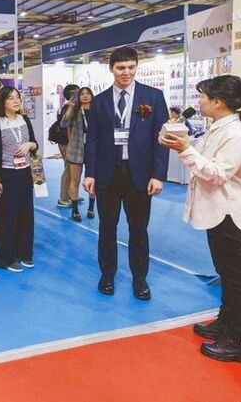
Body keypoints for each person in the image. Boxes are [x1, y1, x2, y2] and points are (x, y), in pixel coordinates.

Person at [160, 75, 241, 366]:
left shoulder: (235, 135)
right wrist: (179, 143)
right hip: (220, 211)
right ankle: (227, 322)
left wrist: (185, 150)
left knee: (236, 276)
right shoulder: (218, 128)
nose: (200, 101)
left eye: (203, 96)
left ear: (218, 102)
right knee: (225, 272)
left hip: (232, 213)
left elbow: (217, 173)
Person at [83, 46, 168, 300]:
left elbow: (161, 139)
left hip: (139, 175)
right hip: (107, 174)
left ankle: (140, 279)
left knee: (139, 230)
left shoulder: (153, 97)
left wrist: (158, 175)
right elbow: (92, 140)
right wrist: (90, 173)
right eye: (121, 67)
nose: (126, 72)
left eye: (131, 67)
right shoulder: (99, 101)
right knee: (107, 229)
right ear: (111, 69)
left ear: (136, 67)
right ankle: (107, 275)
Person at [0, 86, 38, 273]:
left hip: (25, 173)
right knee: (7, 216)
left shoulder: (24, 119)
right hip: (7, 174)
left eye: (17, 97)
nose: (16, 100)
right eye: (11, 98)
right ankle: (6, 257)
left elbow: (35, 144)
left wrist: (29, 145)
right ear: (2, 102)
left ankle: (24, 252)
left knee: (26, 214)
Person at [61, 87, 96, 221]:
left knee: (93, 180)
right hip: (76, 149)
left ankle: (91, 208)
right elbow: (64, 123)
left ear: (92, 96)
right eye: (82, 94)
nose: (85, 96)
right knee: (75, 180)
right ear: (78, 97)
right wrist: (70, 107)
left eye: (88, 93)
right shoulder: (75, 111)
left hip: (93, 150)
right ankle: (75, 210)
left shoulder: (97, 111)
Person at [57, 84, 79, 208]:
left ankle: (71, 195)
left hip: (70, 142)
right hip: (66, 143)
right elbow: (66, 126)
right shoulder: (68, 108)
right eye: (75, 93)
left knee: (72, 170)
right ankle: (63, 197)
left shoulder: (75, 107)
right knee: (68, 169)